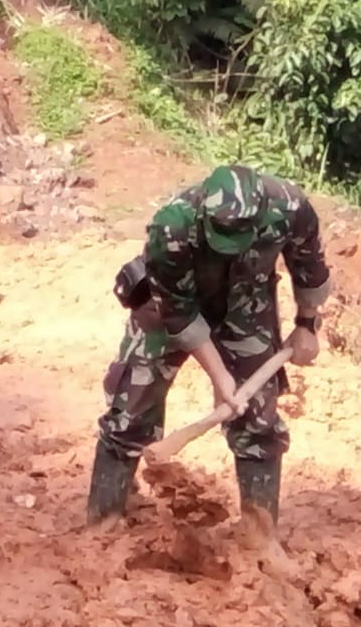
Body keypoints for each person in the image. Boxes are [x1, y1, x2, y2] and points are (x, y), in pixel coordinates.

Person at [88, 165, 331, 527]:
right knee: (131, 407)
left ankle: (259, 531)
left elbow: (308, 264)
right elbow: (179, 315)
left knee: (258, 417)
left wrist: (307, 324)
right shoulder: (172, 226)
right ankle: (104, 520)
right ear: (203, 215)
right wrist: (221, 378)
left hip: (247, 303)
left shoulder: (290, 207)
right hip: (170, 304)